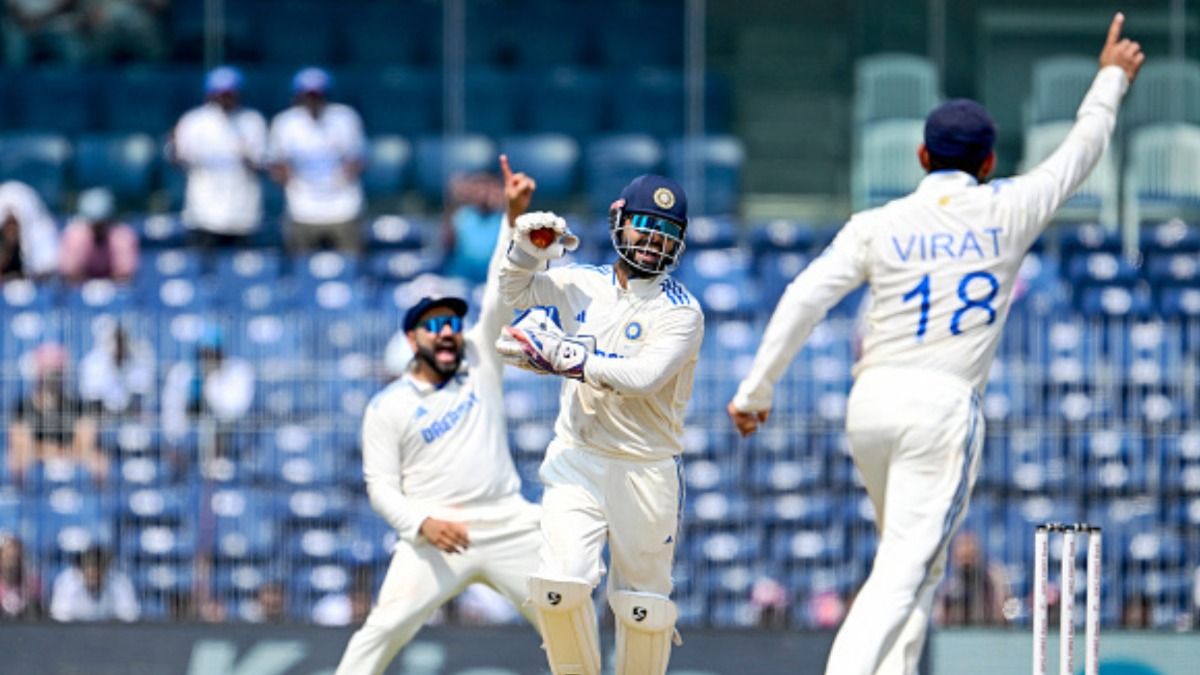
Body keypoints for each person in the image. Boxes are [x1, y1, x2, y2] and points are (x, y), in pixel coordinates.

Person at [726, 15, 1144, 675]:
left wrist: (757, 389)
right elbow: (1081, 151)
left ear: (922, 157)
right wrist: (1111, 79)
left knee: (917, 564)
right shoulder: (1009, 206)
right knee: (903, 568)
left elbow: (806, 294)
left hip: (869, 402)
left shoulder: (879, 222)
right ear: (988, 161)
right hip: (940, 408)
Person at [333, 155, 542, 675]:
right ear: (411, 338)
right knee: (379, 633)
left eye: (451, 319)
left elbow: (498, 288)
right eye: (433, 324)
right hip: (436, 533)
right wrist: (422, 521)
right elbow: (380, 488)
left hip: (509, 521)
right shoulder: (388, 406)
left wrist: (512, 220)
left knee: (569, 615)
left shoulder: (481, 355)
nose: (447, 331)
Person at [496, 164, 704, 675]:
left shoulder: (682, 311)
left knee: (644, 607)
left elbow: (642, 377)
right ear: (619, 219)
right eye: (645, 228)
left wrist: (562, 356)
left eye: (666, 235)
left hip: (646, 468)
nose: (653, 244)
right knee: (557, 590)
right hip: (578, 458)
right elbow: (516, 296)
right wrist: (526, 250)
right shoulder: (580, 283)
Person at [268, 67, 366, 254]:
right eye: (307, 95)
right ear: (298, 97)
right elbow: (275, 165)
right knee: (302, 271)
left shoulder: (345, 118)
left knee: (350, 267)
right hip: (302, 207)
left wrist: (344, 175)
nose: (312, 101)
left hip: (343, 207)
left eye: (317, 95)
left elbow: (359, 160)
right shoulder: (285, 123)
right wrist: (292, 180)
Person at [169, 65, 268, 249]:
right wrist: (173, 148)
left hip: (243, 214)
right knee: (202, 275)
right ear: (210, 94)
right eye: (220, 93)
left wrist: (245, 154)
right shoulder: (194, 121)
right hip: (203, 214)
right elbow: (178, 161)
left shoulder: (252, 121)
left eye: (229, 93)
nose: (225, 98)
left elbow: (261, 165)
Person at [7, 343, 106, 484]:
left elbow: (86, 445)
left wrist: (49, 451)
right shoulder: (22, 407)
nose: (52, 379)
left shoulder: (79, 407)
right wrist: (53, 452)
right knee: (15, 460)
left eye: (57, 372)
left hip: (70, 460)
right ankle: (22, 501)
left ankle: (96, 503)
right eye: (47, 372)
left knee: (99, 461)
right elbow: (20, 446)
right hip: (40, 461)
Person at [160, 324, 255, 459]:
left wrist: (209, 383)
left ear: (222, 353)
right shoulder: (183, 372)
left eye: (213, 354)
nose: (208, 359)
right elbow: (171, 416)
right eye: (204, 354)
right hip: (190, 446)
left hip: (227, 440)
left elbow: (234, 409)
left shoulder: (239, 370)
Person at [58, 187, 139, 284]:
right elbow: (70, 275)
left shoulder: (123, 236)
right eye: (94, 223)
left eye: (102, 222)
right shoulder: (73, 235)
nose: (98, 228)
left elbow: (125, 278)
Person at [78, 315, 154, 416]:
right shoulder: (93, 363)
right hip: (101, 415)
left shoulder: (140, 360)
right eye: (115, 339)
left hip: (132, 415)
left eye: (121, 339)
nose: (118, 345)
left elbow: (141, 394)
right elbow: (92, 398)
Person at [934, 530, 1010, 626]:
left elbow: (1003, 614)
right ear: (954, 558)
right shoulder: (947, 584)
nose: (966, 565)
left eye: (970, 557)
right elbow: (940, 620)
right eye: (963, 558)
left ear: (978, 555)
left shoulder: (993, 577)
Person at [442, 171, 506, 284]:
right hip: (460, 282)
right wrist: (453, 201)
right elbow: (447, 247)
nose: (484, 195)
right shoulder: (460, 216)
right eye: (479, 190)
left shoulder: (505, 220)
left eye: (489, 190)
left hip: (493, 284)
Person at [49, 544, 139, 622]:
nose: (93, 572)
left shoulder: (120, 582)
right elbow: (60, 619)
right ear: (80, 569)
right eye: (89, 566)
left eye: (98, 566)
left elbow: (129, 617)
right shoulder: (66, 583)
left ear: (106, 568)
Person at [0, 180, 59, 281]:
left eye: (14, 223)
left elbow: (44, 271)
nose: (11, 229)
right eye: (8, 223)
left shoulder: (39, 236)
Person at [0, 533, 43, 621]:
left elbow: (38, 614)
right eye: (8, 556)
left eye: (16, 557)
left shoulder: (32, 582)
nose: (12, 562)